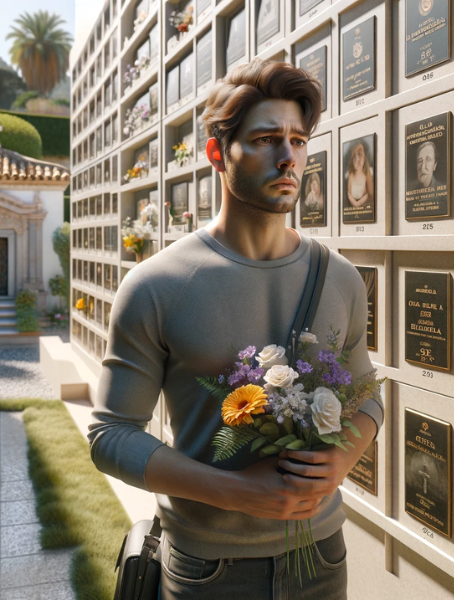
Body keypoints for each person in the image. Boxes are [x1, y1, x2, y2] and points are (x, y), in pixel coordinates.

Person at [88, 59, 384, 599]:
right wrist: (236, 493)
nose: (288, 155)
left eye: (297, 139)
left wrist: (342, 460)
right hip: (208, 566)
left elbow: (369, 398)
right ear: (217, 153)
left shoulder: (341, 278)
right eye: (267, 138)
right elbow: (111, 436)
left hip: (322, 554)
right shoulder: (156, 286)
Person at [345, 141, 374, 208]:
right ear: (352, 160)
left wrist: (358, 203)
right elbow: (349, 193)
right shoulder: (350, 174)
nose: (358, 159)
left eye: (360, 155)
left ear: (364, 159)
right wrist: (355, 203)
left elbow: (368, 194)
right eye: (355, 156)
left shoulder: (367, 172)